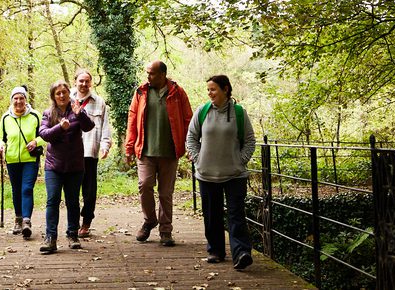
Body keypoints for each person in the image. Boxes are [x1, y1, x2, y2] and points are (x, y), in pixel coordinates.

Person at [185, 75, 256, 270]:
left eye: (213, 89)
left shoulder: (239, 113)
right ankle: (215, 250)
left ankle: (241, 252)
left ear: (225, 89)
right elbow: (191, 138)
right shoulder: (202, 111)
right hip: (207, 174)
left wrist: (240, 161)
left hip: (234, 174)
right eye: (208, 90)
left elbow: (250, 140)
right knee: (211, 214)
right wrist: (198, 159)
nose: (210, 93)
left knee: (236, 214)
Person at [125, 60, 193, 246]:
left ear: (163, 74)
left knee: (165, 193)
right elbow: (132, 119)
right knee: (145, 185)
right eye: (147, 73)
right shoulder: (141, 92)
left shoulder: (177, 92)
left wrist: (189, 145)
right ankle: (149, 220)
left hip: (170, 152)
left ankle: (165, 231)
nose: (148, 76)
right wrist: (129, 147)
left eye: (152, 73)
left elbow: (188, 119)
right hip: (145, 151)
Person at [38, 80, 95, 254]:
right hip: (54, 165)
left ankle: (72, 235)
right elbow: (44, 134)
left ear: (68, 94)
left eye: (64, 92)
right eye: (58, 93)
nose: (62, 96)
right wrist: (60, 128)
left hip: (75, 165)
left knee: (73, 201)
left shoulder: (77, 110)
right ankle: (50, 238)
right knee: (52, 200)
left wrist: (80, 114)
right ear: (53, 97)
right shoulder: (48, 113)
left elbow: (89, 127)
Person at [0, 85, 46, 240]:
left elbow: (45, 135)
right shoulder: (6, 118)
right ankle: (18, 219)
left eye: (21, 98)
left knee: (26, 189)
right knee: (16, 189)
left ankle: (26, 221)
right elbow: (0, 137)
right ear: (12, 100)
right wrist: (0, 145)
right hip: (11, 159)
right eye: (15, 98)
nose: (18, 101)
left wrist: (36, 142)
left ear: (26, 100)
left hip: (30, 159)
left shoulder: (36, 116)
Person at [70, 69, 112, 238]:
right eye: (81, 81)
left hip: (90, 151)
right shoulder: (67, 99)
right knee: (72, 190)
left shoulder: (99, 102)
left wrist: (105, 146)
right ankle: (73, 223)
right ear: (75, 82)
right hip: (71, 152)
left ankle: (86, 221)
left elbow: (105, 126)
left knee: (89, 190)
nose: (84, 84)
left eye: (87, 81)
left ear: (91, 83)